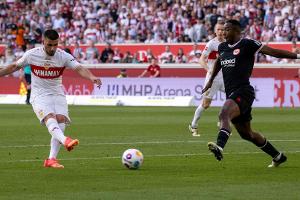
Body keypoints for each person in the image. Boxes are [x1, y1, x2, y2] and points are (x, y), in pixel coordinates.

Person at [202, 20, 300, 167]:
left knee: (224, 114)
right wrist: (210, 81)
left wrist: (298, 57)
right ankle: (278, 156)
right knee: (247, 134)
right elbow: (218, 62)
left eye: (227, 30)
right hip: (232, 94)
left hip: (244, 91)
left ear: (236, 31)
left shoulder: (247, 44)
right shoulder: (222, 47)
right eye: (222, 30)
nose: (223, 33)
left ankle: (219, 146)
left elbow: (274, 52)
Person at [0, 29, 102, 168]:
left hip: (57, 93)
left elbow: (78, 68)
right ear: (43, 42)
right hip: (39, 94)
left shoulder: (63, 56)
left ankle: (51, 159)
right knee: (50, 117)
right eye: (49, 45)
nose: (53, 48)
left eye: (55, 44)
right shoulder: (32, 54)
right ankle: (66, 141)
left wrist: (91, 77)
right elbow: (14, 66)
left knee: (61, 121)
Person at [189, 22, 225, 137]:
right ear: (215, 31)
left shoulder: (229, 44)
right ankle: (193, 125)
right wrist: (209, 70)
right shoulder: (211, 44)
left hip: (225, 78)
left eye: (222, 29)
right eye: (218, 29)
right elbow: (201, 59)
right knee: (205, 104)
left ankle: (222, 119)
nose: (220, 32)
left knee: (233, 97)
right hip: (212, 79)